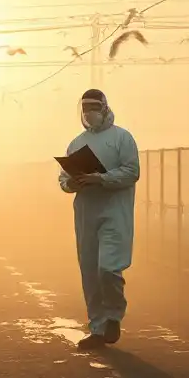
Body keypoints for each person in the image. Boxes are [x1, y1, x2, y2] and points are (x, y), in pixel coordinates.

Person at [57, 88, 140, 350]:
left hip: (114, 212)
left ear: (104, 108)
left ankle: (114, 315)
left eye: (94, 107)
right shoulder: (76, 144)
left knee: (108, 268)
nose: (89, 112)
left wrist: (101, 178)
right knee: (90, 272)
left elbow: (131, 172)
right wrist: (73, 182)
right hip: (86, 213)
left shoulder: (122, 138)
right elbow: (62, 181)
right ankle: (97, 327)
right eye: (85, 108)